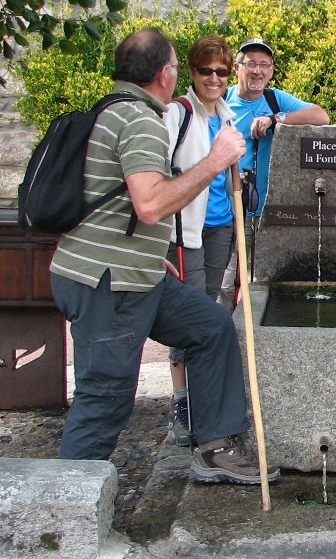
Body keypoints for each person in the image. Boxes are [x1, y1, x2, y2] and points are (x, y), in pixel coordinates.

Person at [50, 28, 279, 485]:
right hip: (109, 281)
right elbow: (151, 203)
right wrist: (215, 161)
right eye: (178, 65)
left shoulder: (112, 109)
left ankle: (214, 448)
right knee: (105, 393)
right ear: (163, 73)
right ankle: (65, 507)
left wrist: (151, 253)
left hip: (138, 271)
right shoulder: (140, 119)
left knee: (210, 327)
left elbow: (115, 199)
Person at [162, 35, 238, 446]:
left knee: (209, 306)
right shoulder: (179, 113)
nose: (213, 78)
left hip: (220, 226)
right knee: (189, 315)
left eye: (221, 72)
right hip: (185, 230)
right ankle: (182, 399)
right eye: (205, 70)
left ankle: (203, 398)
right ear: (191, 73)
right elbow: (160, 172)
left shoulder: (226, 115)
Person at [220, 37, 329, 305]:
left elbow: (320, 116)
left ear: (271, 70)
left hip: (267, 210)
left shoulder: (274, 98)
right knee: (225, 282)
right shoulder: (221, 100)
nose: (257, 70)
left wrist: (276, 118)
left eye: (264, 64)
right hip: (228, 206)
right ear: (237, 67)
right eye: (251, 63)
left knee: (262, 286)